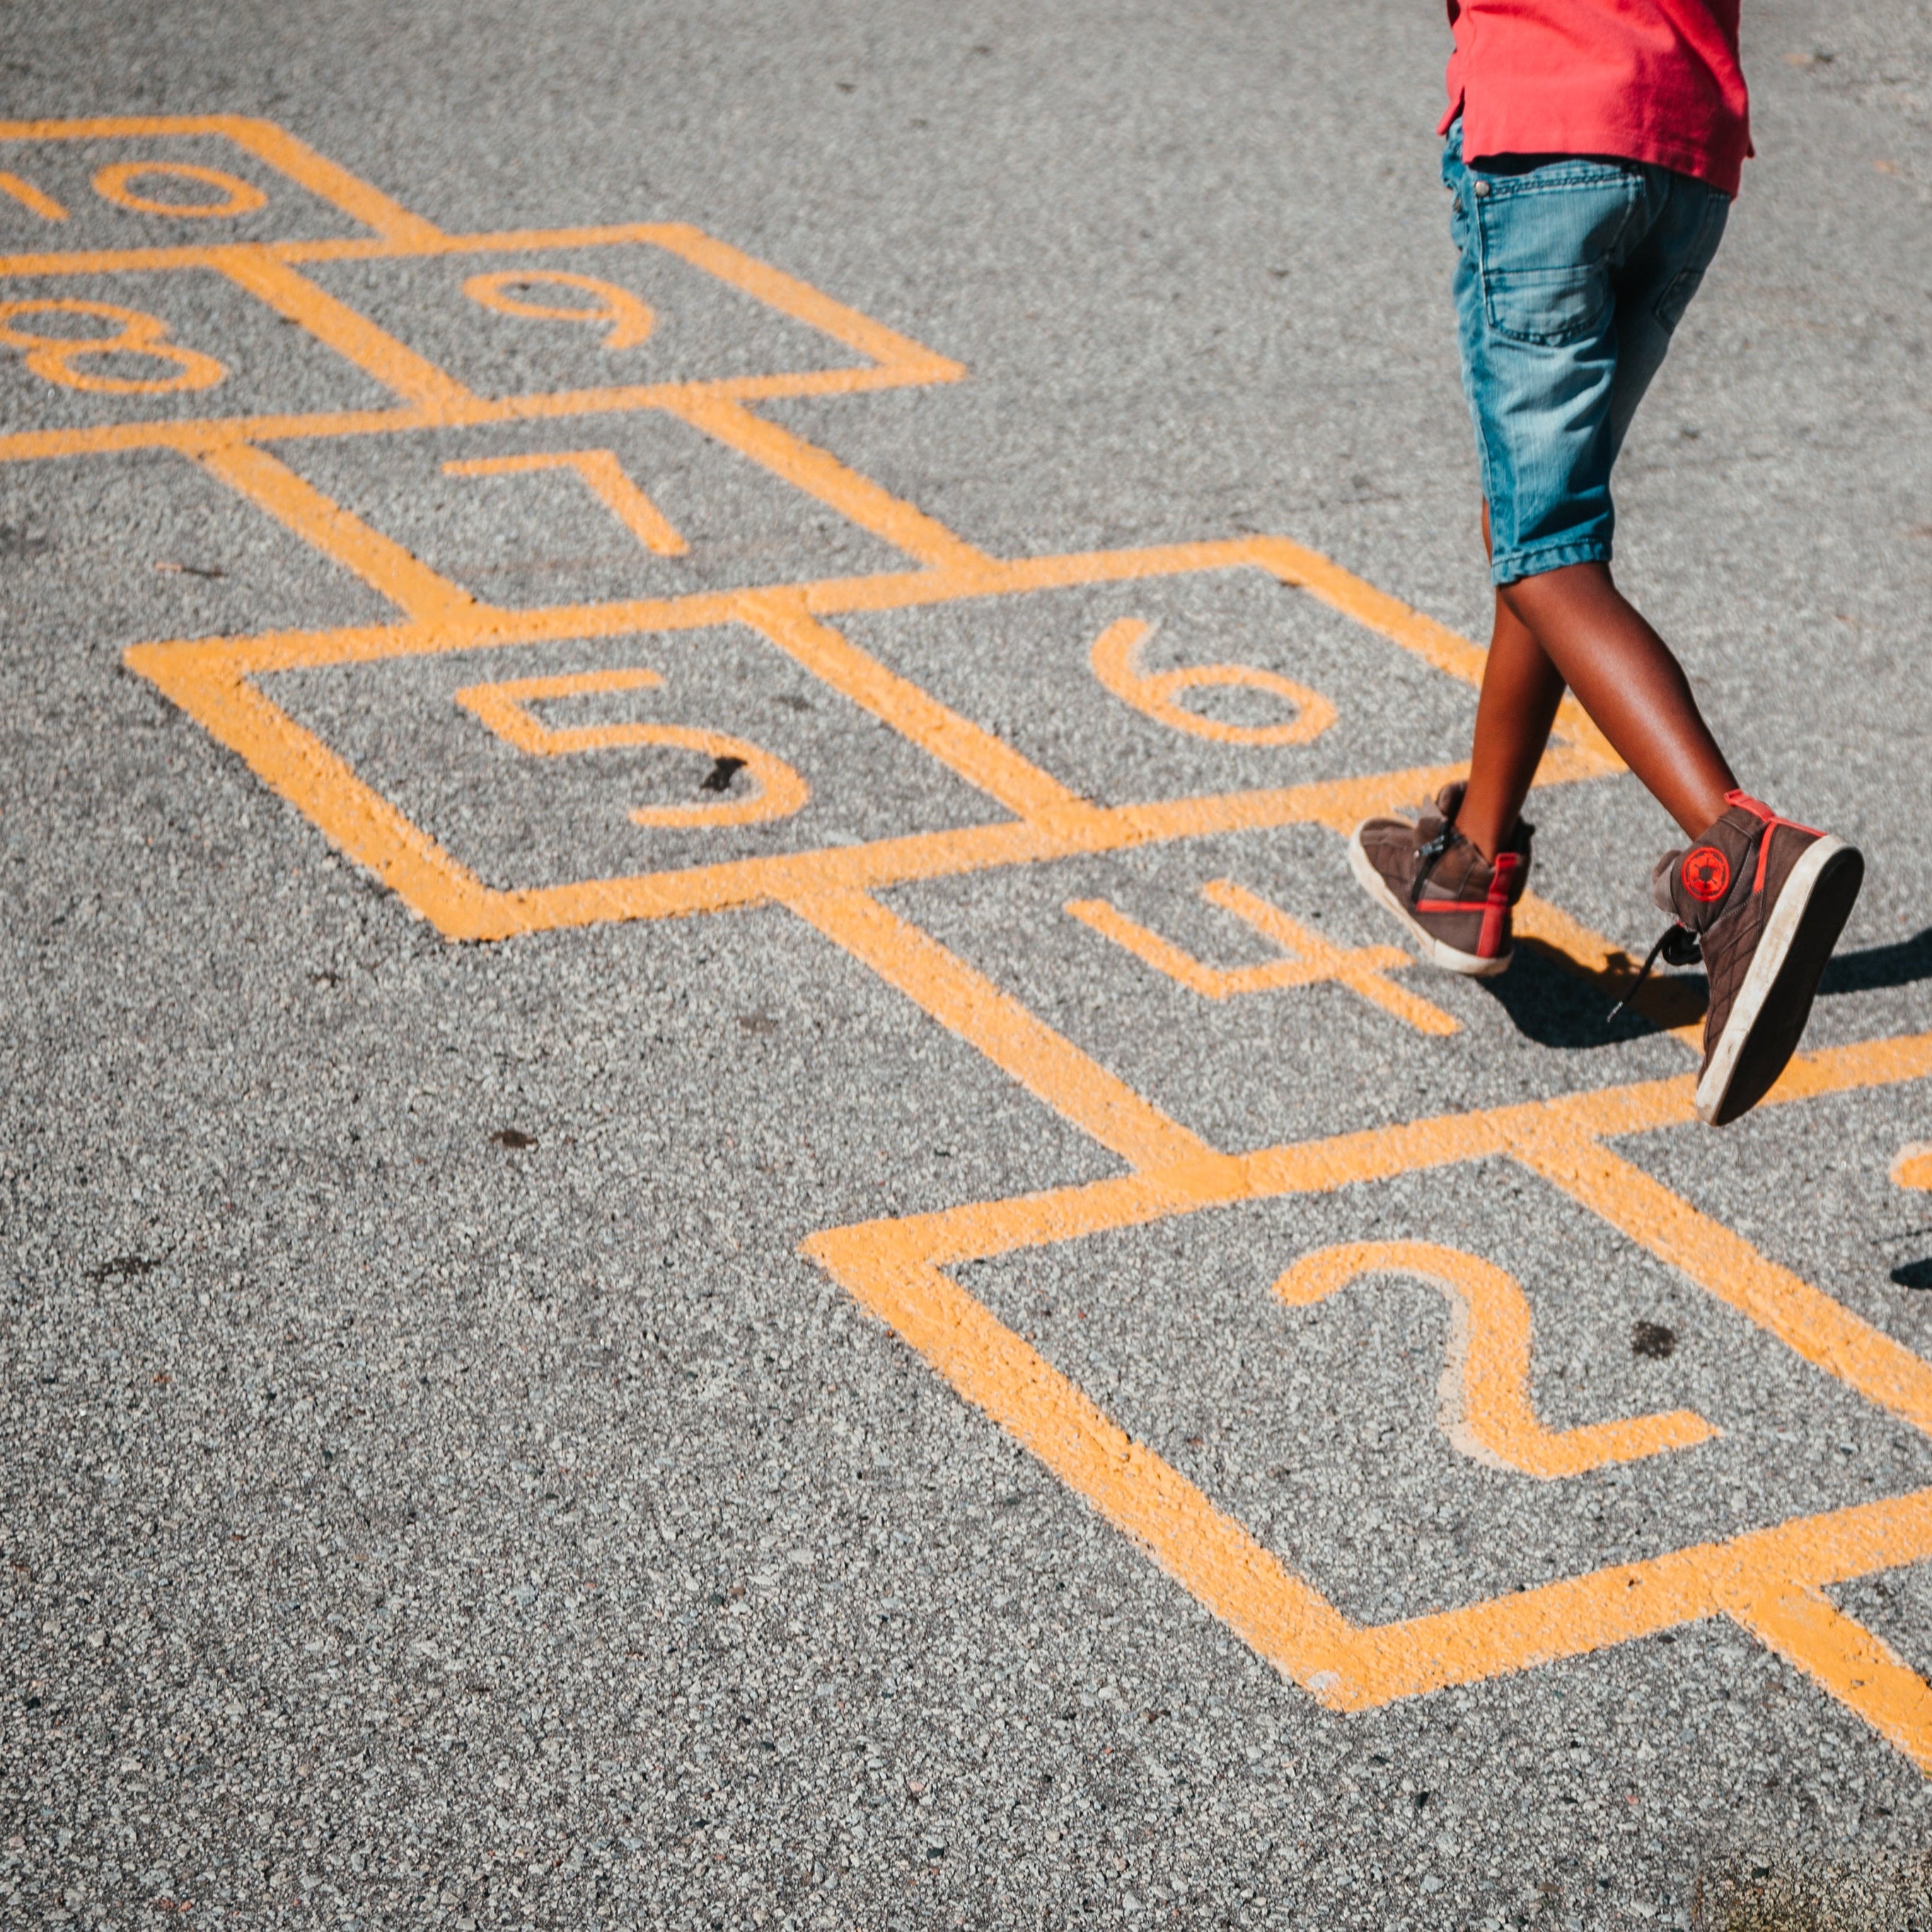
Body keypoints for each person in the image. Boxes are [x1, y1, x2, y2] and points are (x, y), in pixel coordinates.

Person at [1348, 0, 1863, 1126]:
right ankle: (1470, 864)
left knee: (1544, 547)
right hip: (1686, 145)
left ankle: (1742, 860)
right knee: (1544, 522)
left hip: (1547, 128)